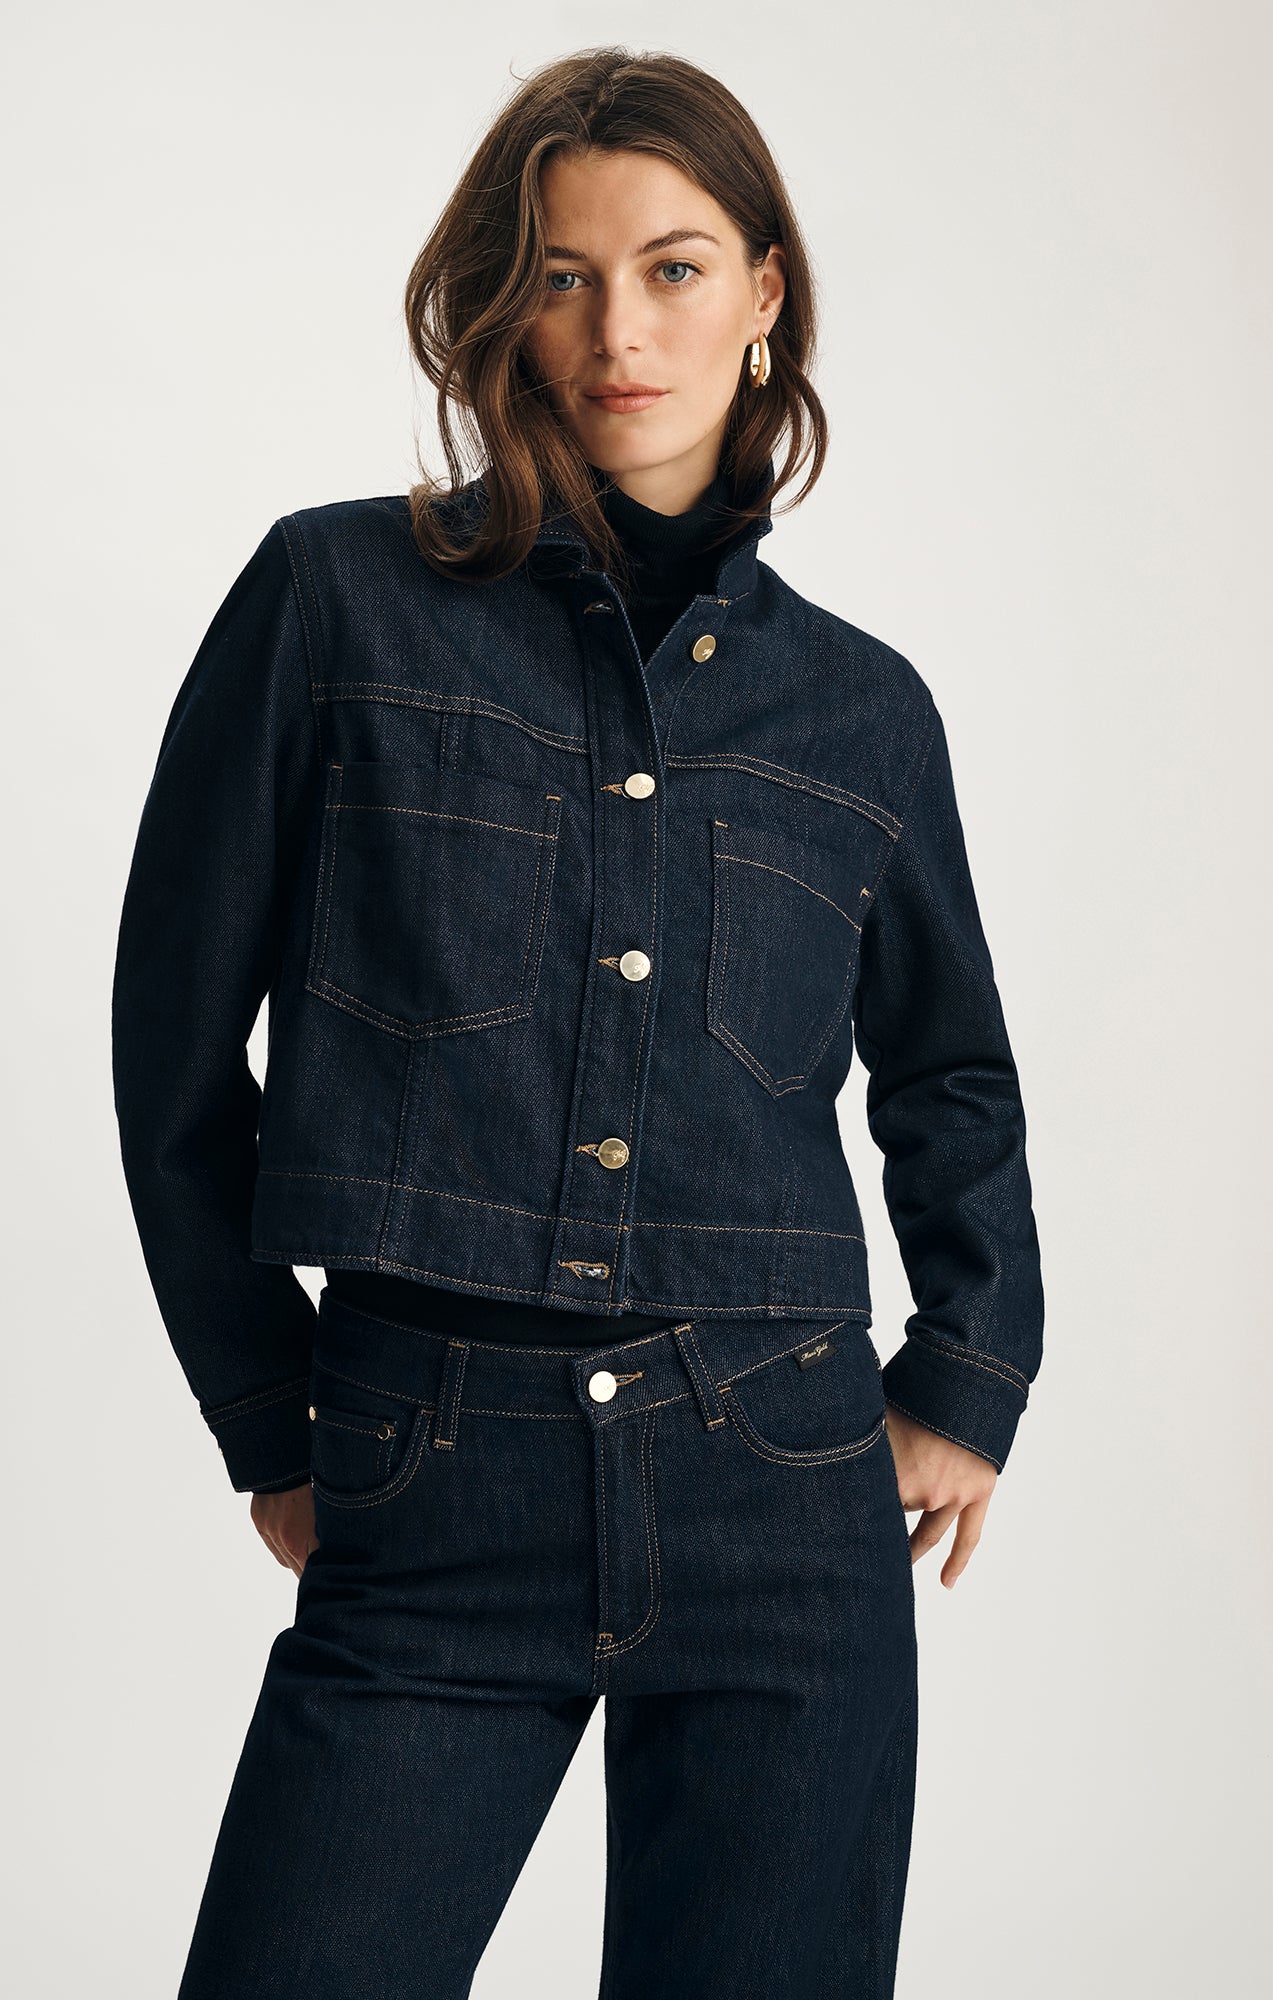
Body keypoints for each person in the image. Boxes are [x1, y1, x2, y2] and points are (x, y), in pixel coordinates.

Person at [111, 45, 1044, 2000]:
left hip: (782, 1483)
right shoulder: (334, 599)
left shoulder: (860, 713)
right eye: (560, 274)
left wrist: (969, 1365)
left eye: (673, 268)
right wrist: (263, 1414)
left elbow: (948, 1067)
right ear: (499, 306)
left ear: (764, 291)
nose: (619, 329)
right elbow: (173, 1046)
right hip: (431, 1467)